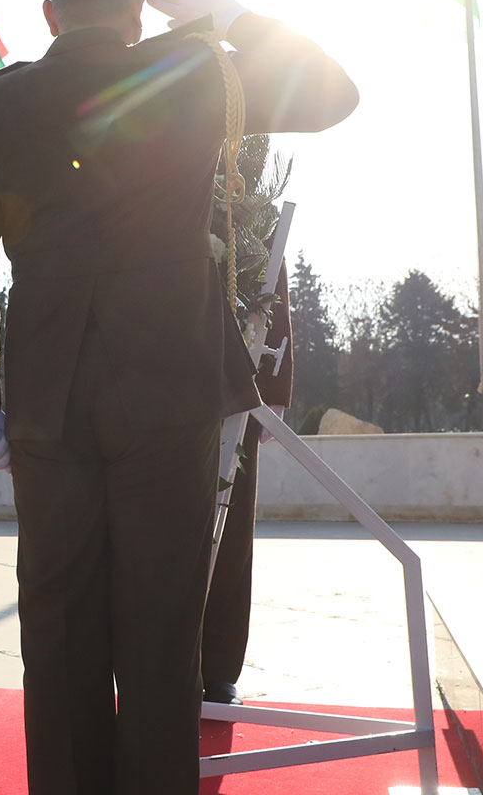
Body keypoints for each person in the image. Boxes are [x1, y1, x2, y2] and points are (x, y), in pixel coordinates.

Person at [0, 0, 357, 795]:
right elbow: (333, 95)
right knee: (163, 631)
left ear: (51, 15)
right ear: (138, 12)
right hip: (169, 388)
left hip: (49, 398)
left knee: (57, 626)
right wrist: (231, 17)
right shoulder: (196, 71)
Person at [201, 265, 294, 706]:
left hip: (240, 384)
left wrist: (274, 387)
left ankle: (218, 670)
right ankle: (155, 665)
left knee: (231, 534)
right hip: (158, 374)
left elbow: (269, 263)